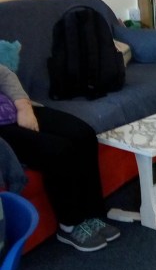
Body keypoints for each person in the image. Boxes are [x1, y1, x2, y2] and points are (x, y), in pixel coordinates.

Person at [0, 63, 119, 251]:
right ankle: (69, 225)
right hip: (3, 130)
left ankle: (92, 214)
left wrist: (24, 107)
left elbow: (4, 74)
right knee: (58, 150)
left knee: (84, 134)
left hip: (13, 108)